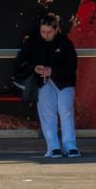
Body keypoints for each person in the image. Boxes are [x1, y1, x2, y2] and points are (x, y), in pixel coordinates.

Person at [31, 12, 79, 158]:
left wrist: (52, 71)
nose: (45, 35)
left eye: (49, 32)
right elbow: (27, 61)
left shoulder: (66, 43)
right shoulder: (35, 43)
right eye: (43, 31)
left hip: (64, 82)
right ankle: (53, 147)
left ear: (56, 29)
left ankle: (70, 145)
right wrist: (36, 68)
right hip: (44, 82)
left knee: (66, 111)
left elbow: (71, 66)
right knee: (47, 114)